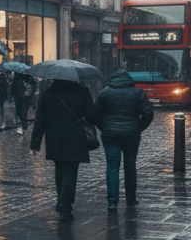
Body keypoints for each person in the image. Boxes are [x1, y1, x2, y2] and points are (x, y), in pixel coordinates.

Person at [29, 79, 100, 221]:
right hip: (75, 137)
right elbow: (93, 116)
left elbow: (40, 119)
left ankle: (61, 199)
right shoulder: (82, 93)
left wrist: (35, 143)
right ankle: (65, 204)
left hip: (54, 137)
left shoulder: (48, 94)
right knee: (70, 171)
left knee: (60, 168)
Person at [94, 71, 154, 211]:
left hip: (110, 134)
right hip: (131, 134)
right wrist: (138, 127)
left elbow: (95, 114)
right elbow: (148, 114)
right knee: (130, 166)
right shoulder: (138, 93)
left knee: (112, 167)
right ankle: (131, 199)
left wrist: (104, 127)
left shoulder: (104, 93)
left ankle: (112, 201)